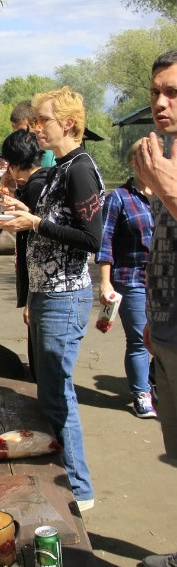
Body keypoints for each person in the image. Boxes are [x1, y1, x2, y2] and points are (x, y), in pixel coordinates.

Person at [1, 88, 104, 512]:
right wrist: (20, 214)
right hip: (45, 294)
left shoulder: (80, 169)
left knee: (59, 393)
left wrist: (37, 222)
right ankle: (55, 476)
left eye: (44, 120)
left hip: (66, 296)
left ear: (68, 124)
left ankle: (79, 489)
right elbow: (45, 225)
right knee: (46, 392)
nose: (37, 127)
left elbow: (91, 240)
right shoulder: (59, 167)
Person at [132, 51, 177, 567]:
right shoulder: (166, 150)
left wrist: (163, 184)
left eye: (172, 92)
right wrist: (150, 310)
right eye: (155, 92)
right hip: (165, 325)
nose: (160, 103)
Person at [96, 141, 156, 419]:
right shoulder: (119, 198)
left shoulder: (167, 194)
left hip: (164, 280)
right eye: (145, 159)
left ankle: (154, 382)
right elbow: (105, 241)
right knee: (139, 339)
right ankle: (141, 393)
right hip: (131, 279)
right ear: (134, 163)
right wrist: (105, 282)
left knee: (164, 339)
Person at [0, 129, 50, 377]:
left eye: (9, 162)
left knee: (40, 355)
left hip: (39, 283)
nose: (8, 169)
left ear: (17, 162)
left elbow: (36, 246)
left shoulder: (36, 185)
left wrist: (30, 299)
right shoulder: (44, 181)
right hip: (40, 284)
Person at [10, 100, 56, 167]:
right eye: (15, 133)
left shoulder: (51, 155)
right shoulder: (21, 154)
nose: (18, 138)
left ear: (36, 124)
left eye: (23, 132)